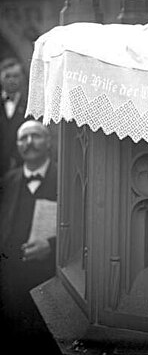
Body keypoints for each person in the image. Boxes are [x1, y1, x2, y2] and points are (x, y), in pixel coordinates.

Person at [0, 119, 60, 353]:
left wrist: (52, 246)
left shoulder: (64, 179)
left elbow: (81, 230)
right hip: (10, 284)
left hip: (48, 279)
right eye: (23, 138)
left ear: (49, 142)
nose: (29, 142)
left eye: (35, 136)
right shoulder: (8, 181)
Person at [0, 57, 28, 177]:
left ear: (22, 77)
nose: (11, 80)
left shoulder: (29, 105)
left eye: (15, 76)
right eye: (7, 76)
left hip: (20, 169)